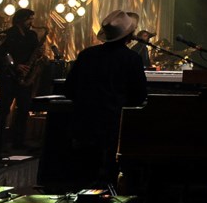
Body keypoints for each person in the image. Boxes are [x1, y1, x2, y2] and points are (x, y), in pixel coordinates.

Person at [63, 10, 147, 189]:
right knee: (110, 177)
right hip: (113, 129)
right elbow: (139, 96)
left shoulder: (86, 55)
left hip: (84, 127)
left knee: (82, 178)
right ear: (130, 36)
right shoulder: (132, 59)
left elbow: (69, 90)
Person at [0, 8, 45, 150]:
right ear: (20, 19)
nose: (32, 22)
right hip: (9, 75)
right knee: (3, 108)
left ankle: (18, 141)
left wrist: (39, 56)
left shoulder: (32, 35)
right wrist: (16, 65)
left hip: (25, 77)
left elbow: (34, 52)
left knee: (24, 109)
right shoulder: (7, 35)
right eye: (29, 19)